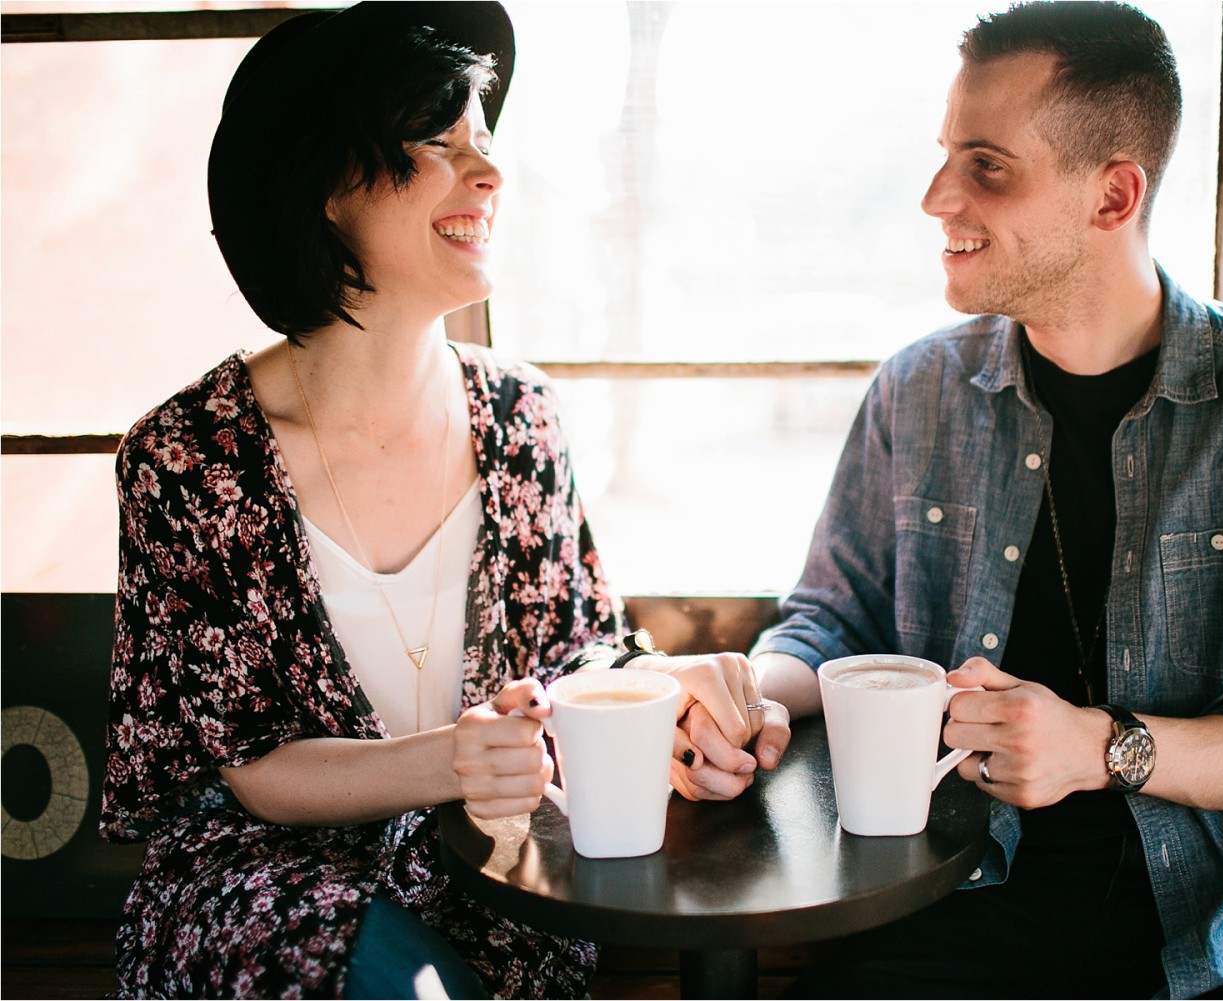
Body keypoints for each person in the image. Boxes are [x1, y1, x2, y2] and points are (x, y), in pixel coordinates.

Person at [101, 4, 786, 997]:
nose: (491, 173)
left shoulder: (521, 416)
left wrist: (679, 708)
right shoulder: (187, 456)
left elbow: (575, 658)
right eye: (438, 140)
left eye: (486, 138)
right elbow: (250, 763)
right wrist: (457, 759)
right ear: (328, 186)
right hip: (265, 898)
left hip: (497, 881)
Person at [733, 3, 1223, 997]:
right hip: (952, 889)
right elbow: (831, 620)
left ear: (1114, 194)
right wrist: (745, 689)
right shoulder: (918, 389)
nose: (937, 196)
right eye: (947, 154)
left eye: (987, 165)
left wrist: (1099, 746)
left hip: (1217, 921)